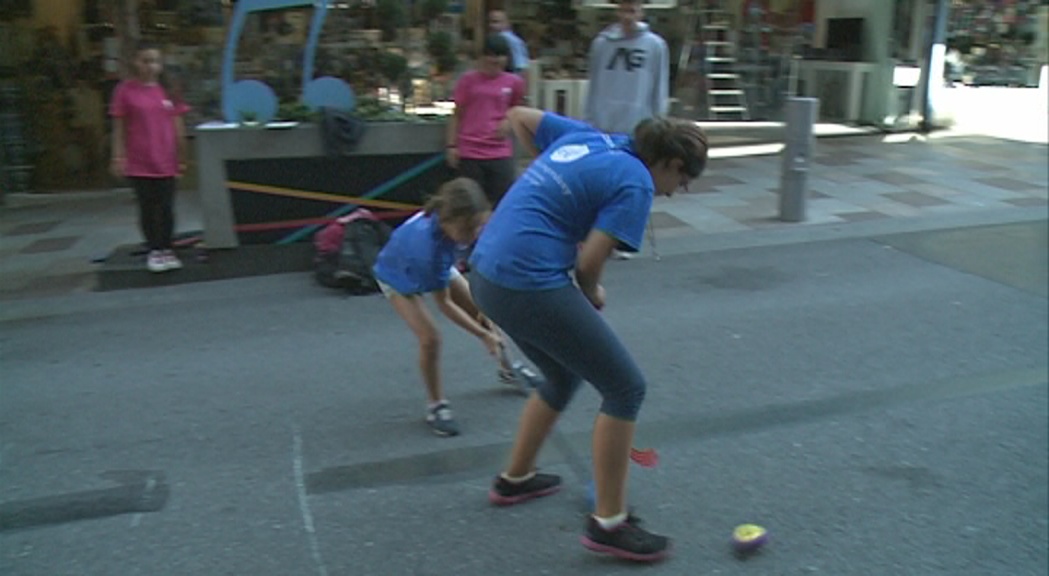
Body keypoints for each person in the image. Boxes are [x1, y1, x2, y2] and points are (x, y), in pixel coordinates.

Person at [468, 106, 707, 563]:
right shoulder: (635, 181)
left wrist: (545, 185)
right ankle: (609, 524)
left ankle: (514, 479)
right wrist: (592, 291)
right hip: (526, 280)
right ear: (672, 164)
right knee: (624, 386)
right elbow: (588, 264)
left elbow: (519, 115)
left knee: (561, 375)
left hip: (486, 271)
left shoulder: (594, 138)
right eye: (683, 181)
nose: (677, 191)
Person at [372, 177, 523, 437]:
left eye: (477, 226)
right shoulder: (427, 250)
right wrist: (483, 335)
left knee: (482, 309)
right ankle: (436, 405)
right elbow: (446, 305)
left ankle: (507, 367)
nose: (473, 234)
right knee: (430, 339)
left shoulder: (449, 225)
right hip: (395, 275)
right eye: (468, 229)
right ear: (447, 221)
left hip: (435, 260)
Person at [584, 0, 670, 260]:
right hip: (605, 124)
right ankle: (599, 235)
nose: (627, 16)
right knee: (603, 182)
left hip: (638, 124)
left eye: (632, 10)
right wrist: (589, 120)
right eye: (623, 10)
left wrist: (659, 121)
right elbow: (594, 83)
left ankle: (624, 237)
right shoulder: (602, 44)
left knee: (632, 183)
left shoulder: (655, 45)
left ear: (641, 12)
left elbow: (659, 85)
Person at [109, 42, 189, 273]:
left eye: (155, 61)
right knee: (147, 206)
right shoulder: (125, 90)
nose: (150, 66)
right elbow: (119, 127)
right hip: (139, 160)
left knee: (166, 206)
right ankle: (154, 249)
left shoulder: (169, 91)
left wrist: (182, 157)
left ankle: (167, 247)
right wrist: (118, 156)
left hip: (166, 159)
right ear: (135, 62)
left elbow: (178, 126)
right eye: (145, 61)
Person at [446, 34, 525, 209]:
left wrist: (508, 120)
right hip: (470, 152)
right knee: (470, 205)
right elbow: (457, 114)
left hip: (499, 152)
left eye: (499, 55)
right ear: (481, 57)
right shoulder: (467, 80)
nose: (494, 60)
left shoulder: (514, 82)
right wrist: (452, 146)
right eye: (489, 55)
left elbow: (518, 109)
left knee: (503, 204)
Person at [488, 10, 530, 76]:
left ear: (506, 23)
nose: (491, 25)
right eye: (490, 22)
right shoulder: (492, 39)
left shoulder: (512, 41)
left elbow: (521, 67)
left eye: (496, 22)